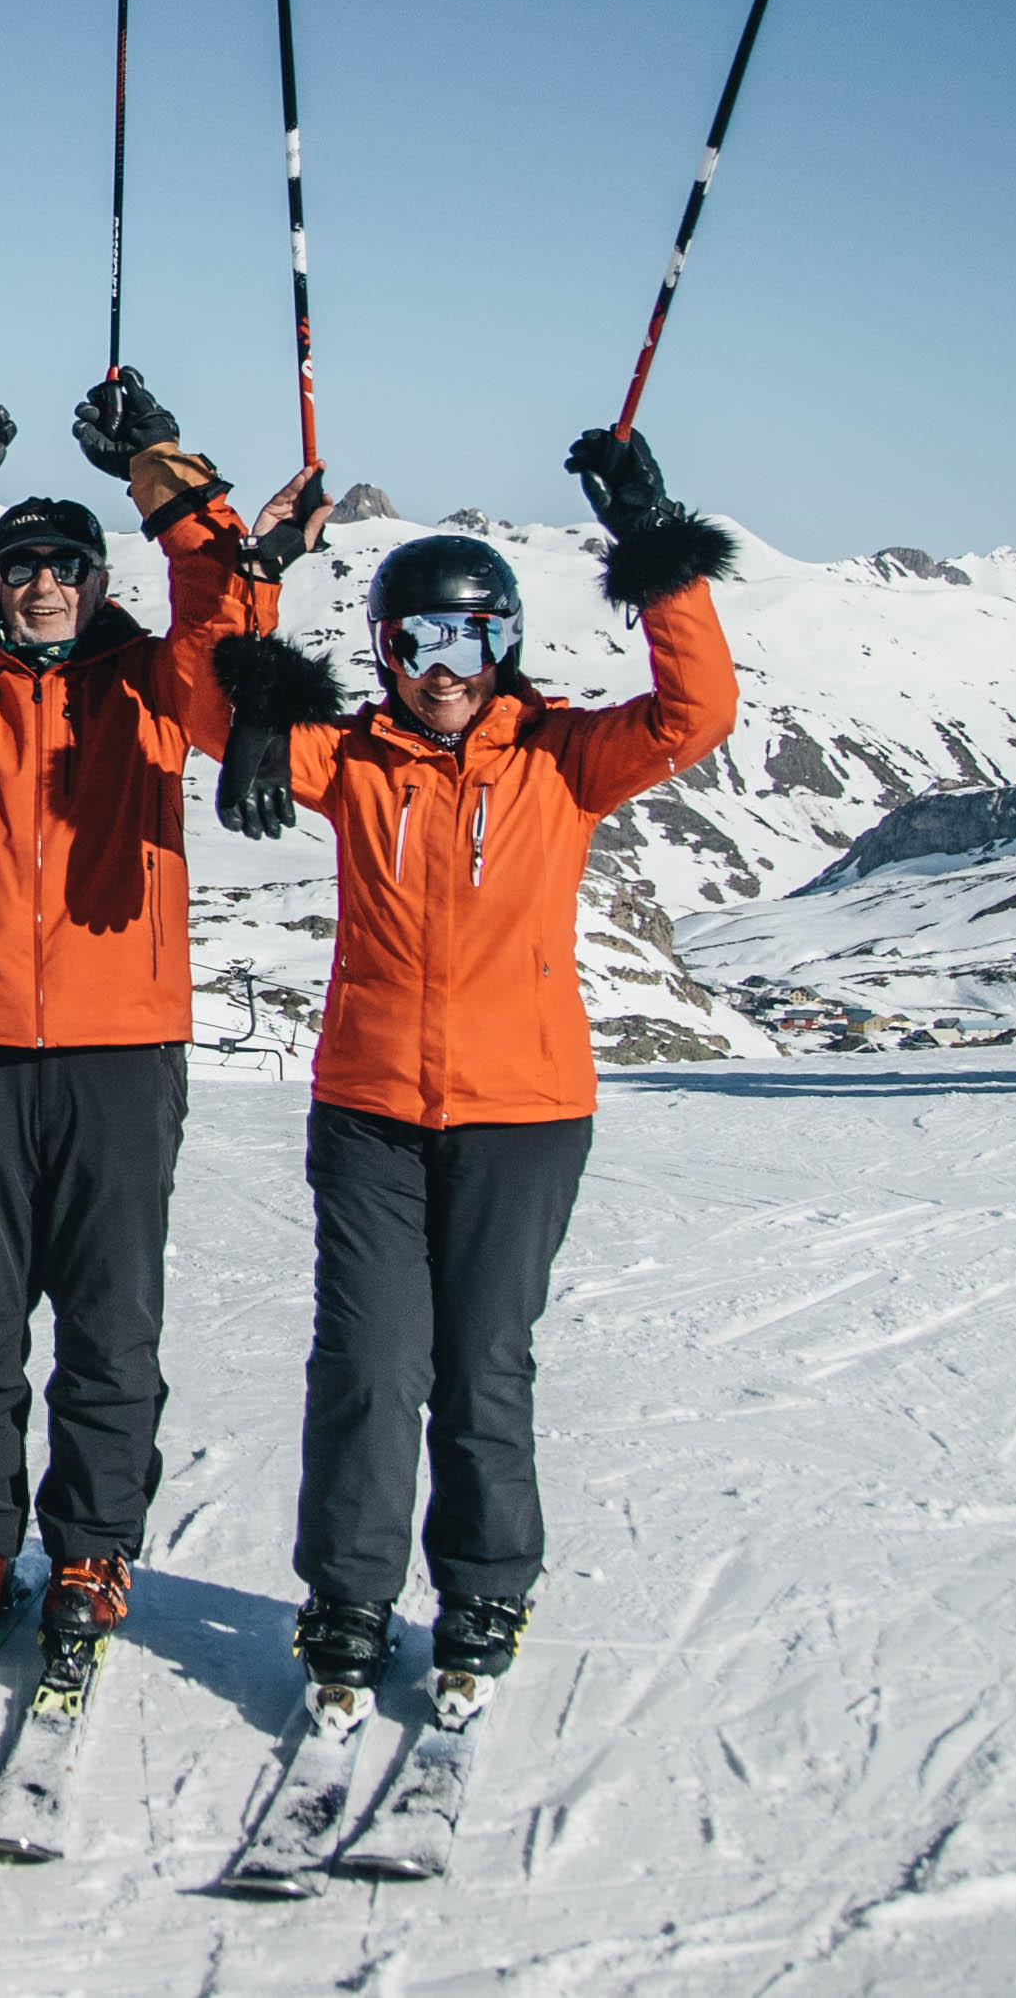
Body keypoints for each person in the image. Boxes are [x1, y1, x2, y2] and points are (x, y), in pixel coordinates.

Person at [201, 427, 736, 1701]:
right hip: (373, 1112)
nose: (445, 668)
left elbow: (696, 712)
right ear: (385, 650)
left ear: (506, 643)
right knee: (369, 1364)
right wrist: (257, 592)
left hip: (523, 1115)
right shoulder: (355, 760)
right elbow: (198, 701)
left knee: (485, 1363)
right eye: (419, 642)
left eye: (471, 638)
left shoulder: (564, 757)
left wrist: (656, 550)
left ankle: (487, 1586)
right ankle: (348, 1595)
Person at [0, 368, 313, 1678]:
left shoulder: (155, 684)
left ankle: (92, 1543)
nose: (42, 583)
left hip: (122, 1050)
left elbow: (227, 619)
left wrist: (164, 474)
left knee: (111, 1320)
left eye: (66, 565)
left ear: (99, 581)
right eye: (23, 564)